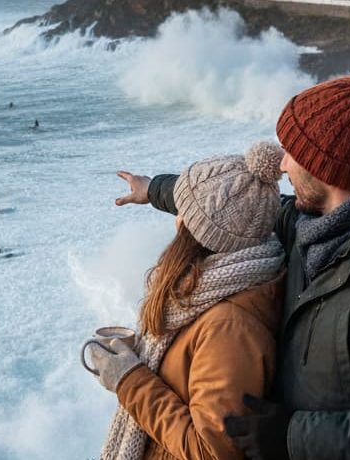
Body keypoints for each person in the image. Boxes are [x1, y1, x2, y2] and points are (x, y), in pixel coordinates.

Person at [114, 58, 350, 460]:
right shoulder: (309, 227)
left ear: (326, 170)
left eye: (292, 152)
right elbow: (227, 209)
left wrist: (294, 437)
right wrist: (154, 190)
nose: (282, 164)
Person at [87, 142, 287, 460]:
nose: (177, 217)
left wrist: (130, 379)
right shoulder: (209, 292)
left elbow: (209, 451)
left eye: (182, 209)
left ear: (194, 230)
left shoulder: (231, 328)